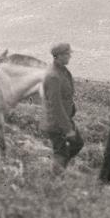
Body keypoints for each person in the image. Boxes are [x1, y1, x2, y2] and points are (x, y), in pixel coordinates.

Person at [42, 41, 82, 170]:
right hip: (57, 123)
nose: (70, 56)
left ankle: (60, 168)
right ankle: (55, 178)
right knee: (60, 152)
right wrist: (67, 129)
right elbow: (56, 106)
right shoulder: (53, 76)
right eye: (67, 54)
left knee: (77, 143)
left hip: (64, 119)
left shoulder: (61, 70)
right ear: (58, 56)